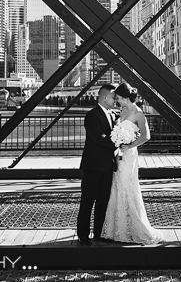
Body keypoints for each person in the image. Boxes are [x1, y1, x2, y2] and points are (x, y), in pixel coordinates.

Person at [101, 82, 163, 244]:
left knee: (127, 186)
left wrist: (129, 145)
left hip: (129, 156)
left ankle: (133, 227)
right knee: (117, 187)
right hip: (119, 155)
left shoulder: (138, 113)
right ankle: (117, 229)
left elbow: (146, 136)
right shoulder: (122, 111)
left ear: (127, 97)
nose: (118, 101)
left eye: (120, 98)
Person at [76, 84, 118, 246]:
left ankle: (99, 233)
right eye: (114, 97)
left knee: (103, 202)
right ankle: (83, 235)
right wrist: (118, 142)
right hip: (93, 166)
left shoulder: (112, 115)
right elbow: (99, 138)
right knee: (87, 201)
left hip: (107, 166)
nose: (115, 100)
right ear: (105, 97)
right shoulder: (92, 115)